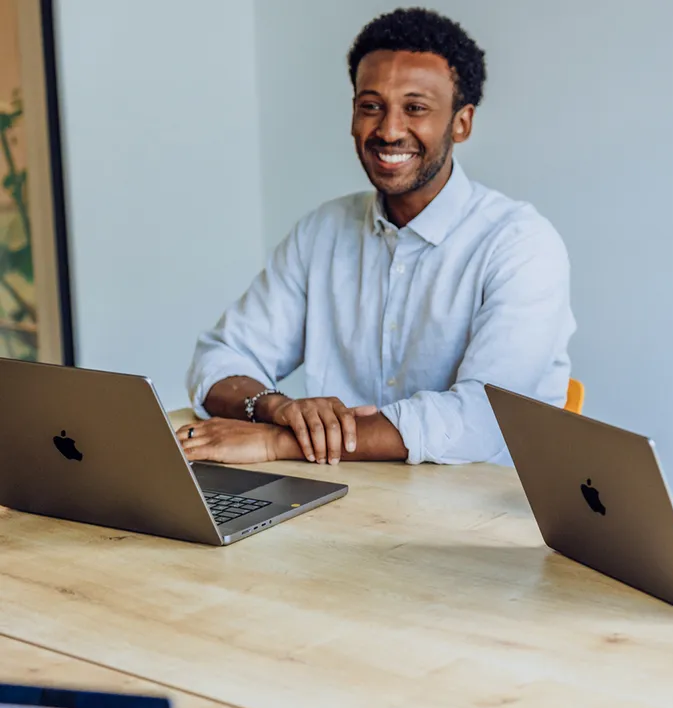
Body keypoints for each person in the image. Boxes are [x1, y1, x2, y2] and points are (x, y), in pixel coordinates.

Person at [178, 7, 574, 466]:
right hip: (345, 501)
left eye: (415, 108)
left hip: (481, 520)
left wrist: (274, 441)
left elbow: (482, 419)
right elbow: (222, 356)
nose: (388, 130)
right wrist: (276, 408)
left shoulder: (521, 245)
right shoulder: (321, 232)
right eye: (371, 106)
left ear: (461, 123)